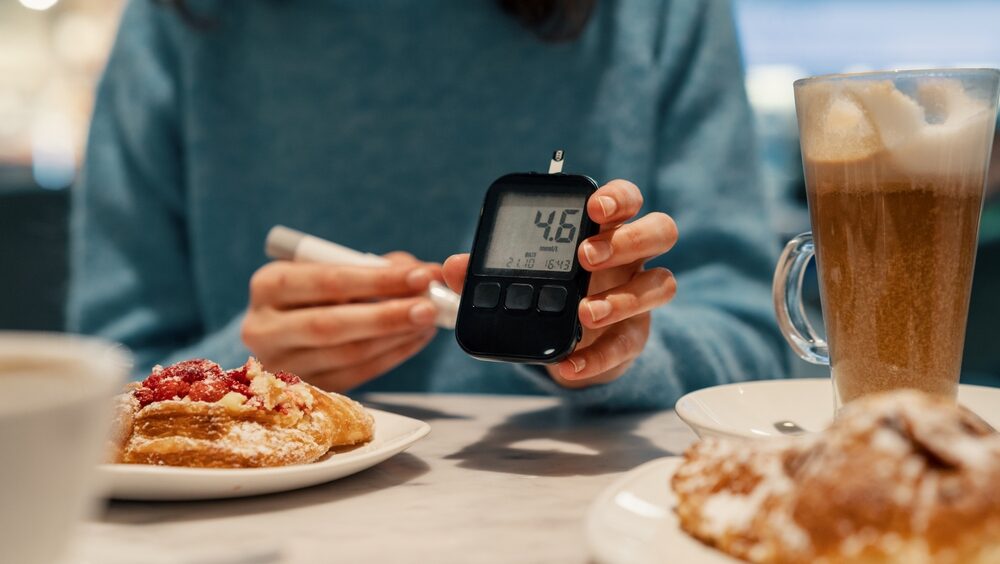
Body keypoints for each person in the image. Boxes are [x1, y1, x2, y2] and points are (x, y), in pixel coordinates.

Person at [69, 0, 787, 411]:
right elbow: (97, 388)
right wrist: (241, 374)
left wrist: (621, 346)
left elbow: (758, 349)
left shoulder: (658, 13)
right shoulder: (179, 20)